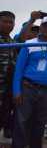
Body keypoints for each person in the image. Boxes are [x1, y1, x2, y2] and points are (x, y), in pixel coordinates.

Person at [12, 16, 47, 148]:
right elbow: (19, 69)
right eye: (45, 26)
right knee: (22, 121)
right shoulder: (29, 43)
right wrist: (16, 91)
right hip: (27, 88)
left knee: (40, 123)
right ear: (40, 27)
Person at [0, 11, 17, 139]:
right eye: (4, 21)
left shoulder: (12, 41)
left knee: (4, 113)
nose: (8, 24)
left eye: (10, 22)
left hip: (7, 85)